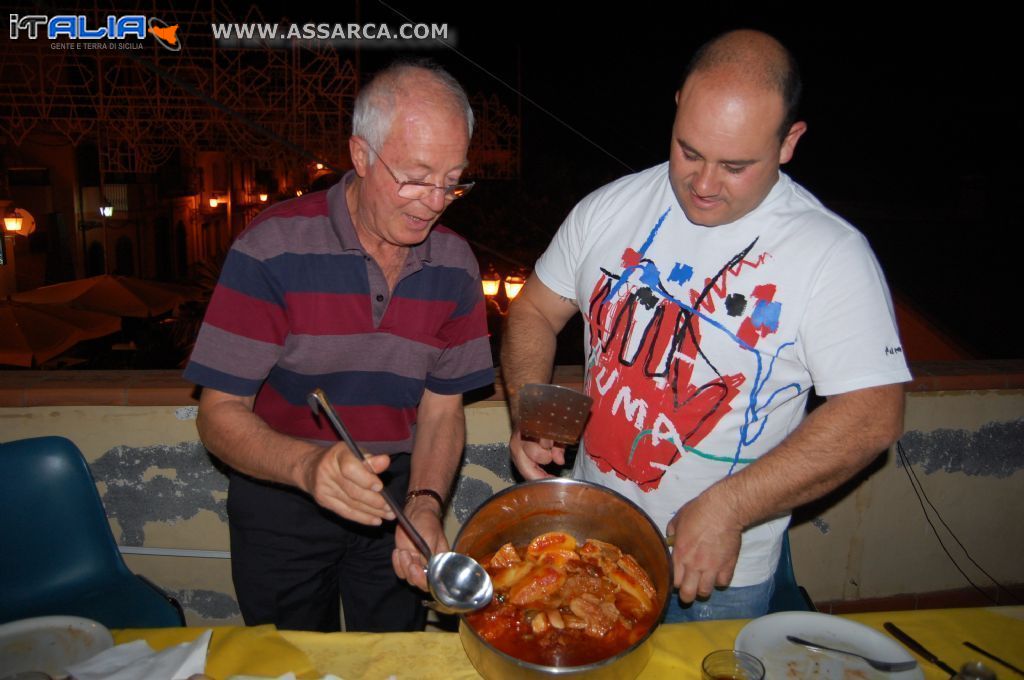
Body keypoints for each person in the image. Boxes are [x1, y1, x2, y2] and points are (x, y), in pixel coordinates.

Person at [502, 30, 911, 622]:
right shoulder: (609, 207)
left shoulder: (832, 254)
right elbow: (536, 310)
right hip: (596, 530)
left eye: (735, 165)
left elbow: (875, 414)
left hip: (717, 569)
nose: (703, 183)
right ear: (675, 110)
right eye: (688, 151)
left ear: (789, 142)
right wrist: (531, 411)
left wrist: (730, 506)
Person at [184, 61, 493, 632]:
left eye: (452, 181)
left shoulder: (455, 264)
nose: (435, 201)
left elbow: (442, 408)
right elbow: (217, 414)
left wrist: (425, 503)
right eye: (416, 176)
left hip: (395, 497)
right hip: (282, 497)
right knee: (294, 665)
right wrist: (308, 468)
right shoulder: (272, 247)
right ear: (360, 154)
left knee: (392, 660)